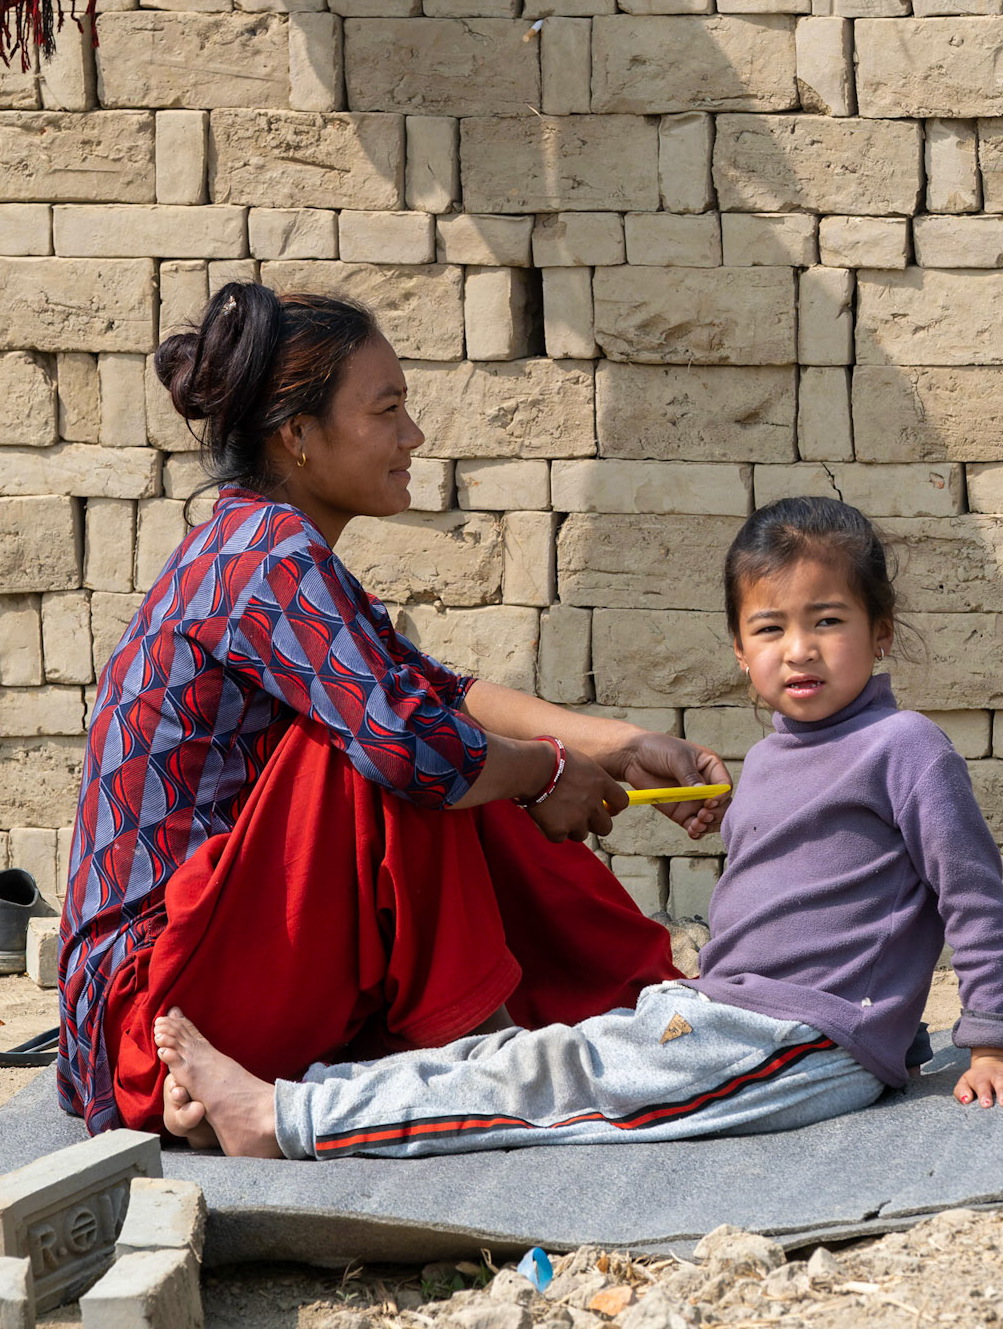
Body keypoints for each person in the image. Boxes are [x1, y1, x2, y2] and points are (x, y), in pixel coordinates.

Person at [152, 495, 1003, 1158]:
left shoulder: (904, 747)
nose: (799, 649)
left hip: (798, 1045)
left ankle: (285, 1120)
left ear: (880, 632)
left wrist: (991, 1042)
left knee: (546, 1093)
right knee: (533, 1061)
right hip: (725, 1017)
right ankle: (287, 1097)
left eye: (828, 621)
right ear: (740, 653)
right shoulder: (776, 756)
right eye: (770, 629)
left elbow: (969, 895)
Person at [57, 283, 730, 1134]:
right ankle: (486, 1061)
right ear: (297, 435)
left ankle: (520, 1024)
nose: (412, 435)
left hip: (193, 985)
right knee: (410, 755)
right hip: (153, 1015)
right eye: (386, 410)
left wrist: (618, 746)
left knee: (427, 736)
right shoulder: (266, 554)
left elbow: (432, 688)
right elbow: (413, 741)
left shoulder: (254, 544)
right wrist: (543, 772)